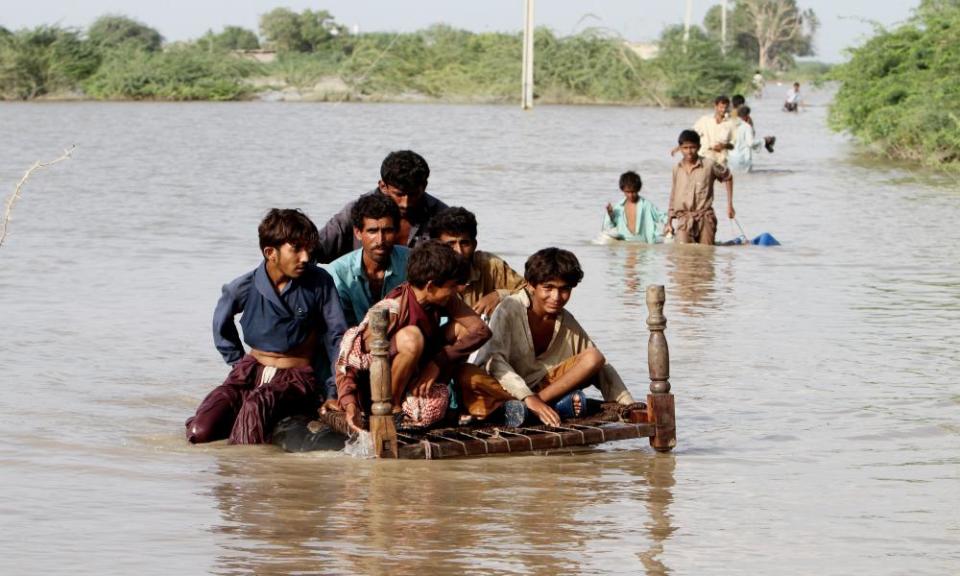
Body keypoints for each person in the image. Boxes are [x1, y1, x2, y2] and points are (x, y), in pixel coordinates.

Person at [186, 209, 347, 444]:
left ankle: (246, 471)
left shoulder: (320, 282)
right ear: (270, 253)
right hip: (248, 372)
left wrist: (334, 391)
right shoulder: (243, 286)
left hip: (295, 379)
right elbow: (221, 322)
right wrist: (236, 361)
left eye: (308, 249)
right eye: (296, 249)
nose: (305, 257)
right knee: (201, 430)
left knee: (256, 405)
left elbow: (337, 337)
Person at [460, 248, 636, 427]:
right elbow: (495, 361)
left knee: (594, 357)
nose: (556, 297)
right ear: (530, 285)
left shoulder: (566, 320)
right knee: (467, 375)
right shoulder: (509, 308)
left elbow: (599, 366)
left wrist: (629, 406)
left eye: (564, 289)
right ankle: (538, 408)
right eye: (548, 288)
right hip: (505, 390)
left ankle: (530, 410)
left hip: (540, 391)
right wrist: (527, 397)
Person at [335, 240, 492, 432]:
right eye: (451, 286)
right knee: (412, 337)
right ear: (431, 286)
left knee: (462, 328)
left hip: (419, 378)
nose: (455, 291)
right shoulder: (391, 310)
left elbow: (481, 330)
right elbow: (348, 362)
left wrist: (439, 362)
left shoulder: (445, 299)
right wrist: (349, 404)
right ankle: (392, 410)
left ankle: (437, 402)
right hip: (378, 393)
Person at [314, 150, 448, 263]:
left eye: (413, 194)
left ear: (424, 186)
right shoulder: (356, 211)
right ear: (383, 186)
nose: (406, 203)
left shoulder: (441, 215)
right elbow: (315, 249)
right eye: (399, 194)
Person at [324, 193, 410, 327]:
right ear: (358, 233)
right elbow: (339, 325)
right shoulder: (338, 272)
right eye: (372, 231)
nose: (380, 240)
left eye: (387, 231)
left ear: (397, 231)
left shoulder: (413, 262)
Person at [427, 206, 525, 316]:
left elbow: (529, 291)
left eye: (464, 243)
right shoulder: (426, 271)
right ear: (436, 246)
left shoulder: (490, 265)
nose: (459, 251)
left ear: (474, 245)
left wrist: (500, 295)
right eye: (451, 244)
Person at [664, 130, 734, 245]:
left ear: (699, 147)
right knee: (683, 255)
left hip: (705, 217)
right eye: (685, 148)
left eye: (692, 147)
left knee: (706, 254)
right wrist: (669, 222)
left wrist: (730, 205)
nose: (689, 152)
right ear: (680, 148)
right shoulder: (677, 168)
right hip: (684, 219)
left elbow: (728, 177)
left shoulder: (709, 165)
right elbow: (673, 195)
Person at [602, 170, 667, 243]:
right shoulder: (618, 207)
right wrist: (610, 215)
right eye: (627, 192)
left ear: (638, 189)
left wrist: (668, 225)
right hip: (625, 246)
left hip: (643, 245)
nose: (631, 195)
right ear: (622, 190)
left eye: (633, 192)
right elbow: (609, 229)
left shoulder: (646, 205)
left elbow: (662, 216)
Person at [693, 95, 736, 166]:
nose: (723, 110)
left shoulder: (731, 124)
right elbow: (692, 135)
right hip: (704, 158)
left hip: (721, 161)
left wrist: (724, 146)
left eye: (726, 107)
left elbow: (733, 145)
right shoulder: (704, 120)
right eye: (721, 107)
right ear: (715, 106)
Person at [728, 106, 764, 173]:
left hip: (731, 159)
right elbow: (750, 143)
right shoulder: (747, 126)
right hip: (744, 159)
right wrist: (763, 140)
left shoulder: (729, 124)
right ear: (747, 115)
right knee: (746, 179)